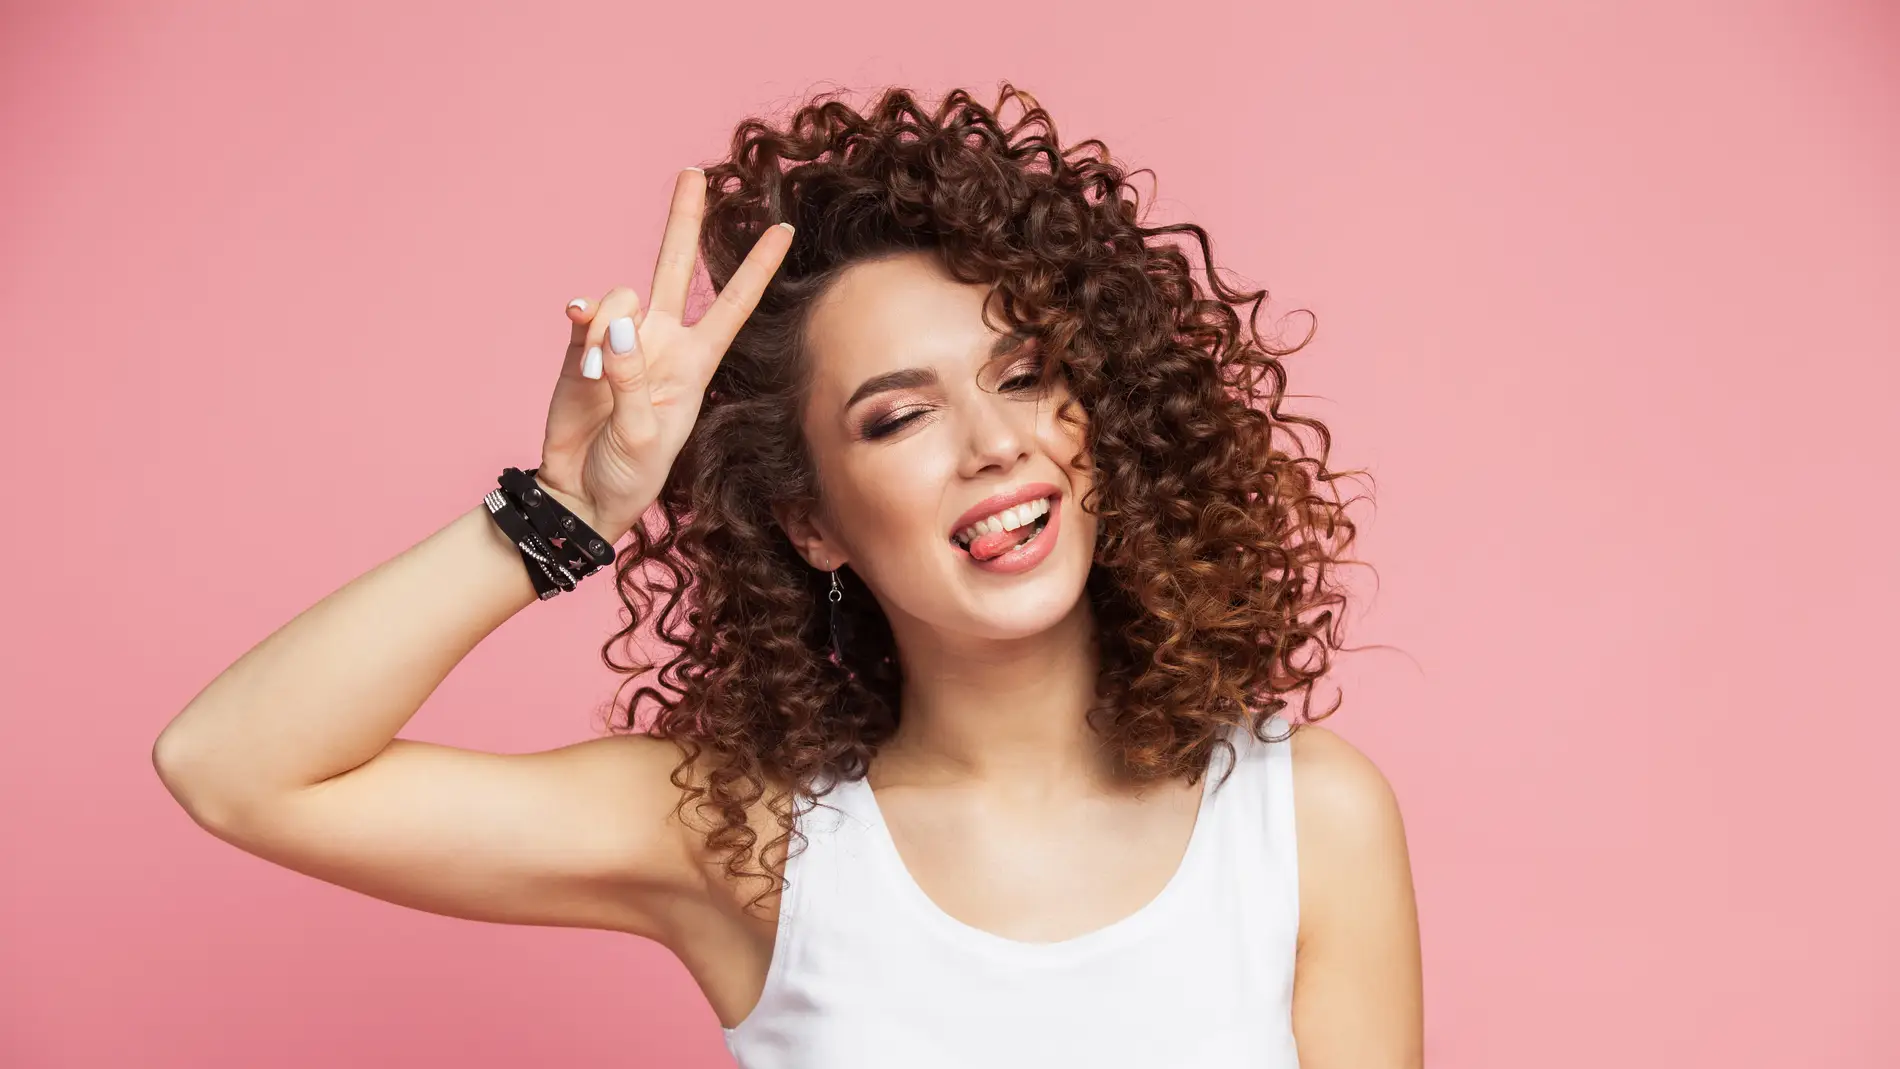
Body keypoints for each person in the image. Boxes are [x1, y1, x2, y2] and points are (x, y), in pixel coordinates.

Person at [152, 84, 1423, 1067]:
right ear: (809, 521)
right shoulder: (755, 839)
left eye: (1025, 375)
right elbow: (235, 768)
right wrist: (566, 510)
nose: (995, 446)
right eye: (896, 417)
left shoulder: (1304, 820)